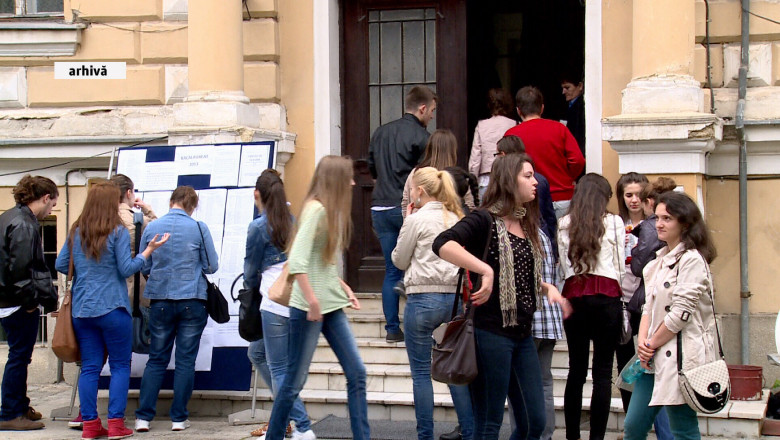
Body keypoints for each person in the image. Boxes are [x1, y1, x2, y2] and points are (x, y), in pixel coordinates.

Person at [433, 154, 570, 440]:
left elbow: (519, 272)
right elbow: (442, 243)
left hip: (522, 334)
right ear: (509, 181)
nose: (536, 182)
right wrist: (484, 269)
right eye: (528, 176)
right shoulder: (484, 219)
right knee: (489, 423)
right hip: (489, 332)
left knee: (535, 421)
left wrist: (547, 287)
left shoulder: (528, 223)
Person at [263, 156, 369, 440]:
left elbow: (318, 262)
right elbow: (297, 261)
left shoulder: (327, 211)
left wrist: (342, 286)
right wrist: (311, 300)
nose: (353, 182)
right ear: (335, 179)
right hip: (309, 308)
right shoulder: (316, 210)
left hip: (329, 306)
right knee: (293, 383)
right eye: (348, 177)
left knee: (357, 372)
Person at [55, 182, 169, 439]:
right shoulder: (116, 231)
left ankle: (90, 425)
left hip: (83, 311)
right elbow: (126, 269)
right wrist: (148, 251)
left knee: (90, 367)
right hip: (114, 308)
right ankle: (116, 424)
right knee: (119, 365)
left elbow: (61, 263)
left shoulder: (76, 230)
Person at [623, 191, 719, 440]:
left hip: (680, 358)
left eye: (667, 218)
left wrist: (650, 343)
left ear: (685, 224)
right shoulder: (657, 261)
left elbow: (680, 314)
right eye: (657, 217)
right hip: (651, 357)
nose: (659, 224)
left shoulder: (692, 260)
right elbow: (648, 307)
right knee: (633, 427)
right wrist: (643, 344)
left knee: (683, 430)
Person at [391, 167, 472, 440]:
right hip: (453, 300)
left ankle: (425, 435)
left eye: (412, 188)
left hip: (422, 298)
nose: (410, 192)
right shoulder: (457, 217)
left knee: (421, 375)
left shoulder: (416, 220)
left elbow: (399, 260)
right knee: (454, 370)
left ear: (420, 191)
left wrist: (406, 222)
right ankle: (470, 432)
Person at [135, 186, 219, 433]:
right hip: (192, 299)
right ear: (193, 205)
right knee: (185, 361)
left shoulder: (152, 227)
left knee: (156, 359)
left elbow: (144, 264)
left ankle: (143, 418)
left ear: (171, 201)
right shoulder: (199, 228)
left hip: (160, 300)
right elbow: (212, 266)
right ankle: (179, 418)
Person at [243, 170, 315, 440]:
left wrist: (248, 290)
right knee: (257, 353)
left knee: (279, 368)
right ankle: (282, 421)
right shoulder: (293, 221)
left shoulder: (258, 226)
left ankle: (302, 426)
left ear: (257, 195)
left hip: (273, 301)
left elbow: (250, 269)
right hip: (294, 297)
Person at [557, 173, 625, 440]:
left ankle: (572, 436)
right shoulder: (614, 222)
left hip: (574, 294)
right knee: (603, 372)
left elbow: (564, 265)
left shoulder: (564, 223)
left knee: (576, 371)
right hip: (607, 295)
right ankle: (596, 437)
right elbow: (620, 263)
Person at [368, 85, 437, 343]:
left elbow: (373, 169)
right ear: (422, 108)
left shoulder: (380, 132)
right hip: (408, 208)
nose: (431, 116)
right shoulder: (422, 137)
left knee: (392, 270)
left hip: (379, 207)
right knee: (418, 268)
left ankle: (391, 329)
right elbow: (426, 178)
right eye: (431, 111)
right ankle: (419, 329)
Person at [0, 175, 59, 431]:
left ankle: (19, 407)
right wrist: (31, 303)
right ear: (45, 198)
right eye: (52, 204)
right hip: (16, 302)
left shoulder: (10, 216)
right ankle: (11, 413)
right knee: (19, 357)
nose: (51, 210)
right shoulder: (24, 224)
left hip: (9, 300)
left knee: (20, 356)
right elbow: (21, 270)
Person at [505, 86, 585, 219]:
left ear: (518, 111)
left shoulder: (511, 135)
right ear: (542, 108)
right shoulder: (559, 129)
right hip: (561, 196)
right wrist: (568, 178)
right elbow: (578, 160)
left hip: (529, 200)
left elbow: (507, 169)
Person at [496, 135, 557, 245]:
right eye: (528, 176)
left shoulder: (499, 181)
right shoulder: (541, 179)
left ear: (503, 154)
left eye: (530, 175)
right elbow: (549, 217)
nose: (534, 182)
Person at [468, 88, 517, 199]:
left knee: (486, 215)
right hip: (508, 178)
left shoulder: (481, 125)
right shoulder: (514, 124)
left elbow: (475, 159)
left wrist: (472, 183)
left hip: (486, 180)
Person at [402, 128, 459, 219]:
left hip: (418, 225)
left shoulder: (416, 173)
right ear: (453, 151)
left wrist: (408, 224)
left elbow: (406, 202)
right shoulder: (457, 176)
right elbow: (469, 205)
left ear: (429, 148)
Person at [560, 75, 585, 157]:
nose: (563, 92)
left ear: (580, 86)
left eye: (567, 88)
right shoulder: (569, 105)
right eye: (563, 88)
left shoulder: (581, 107)